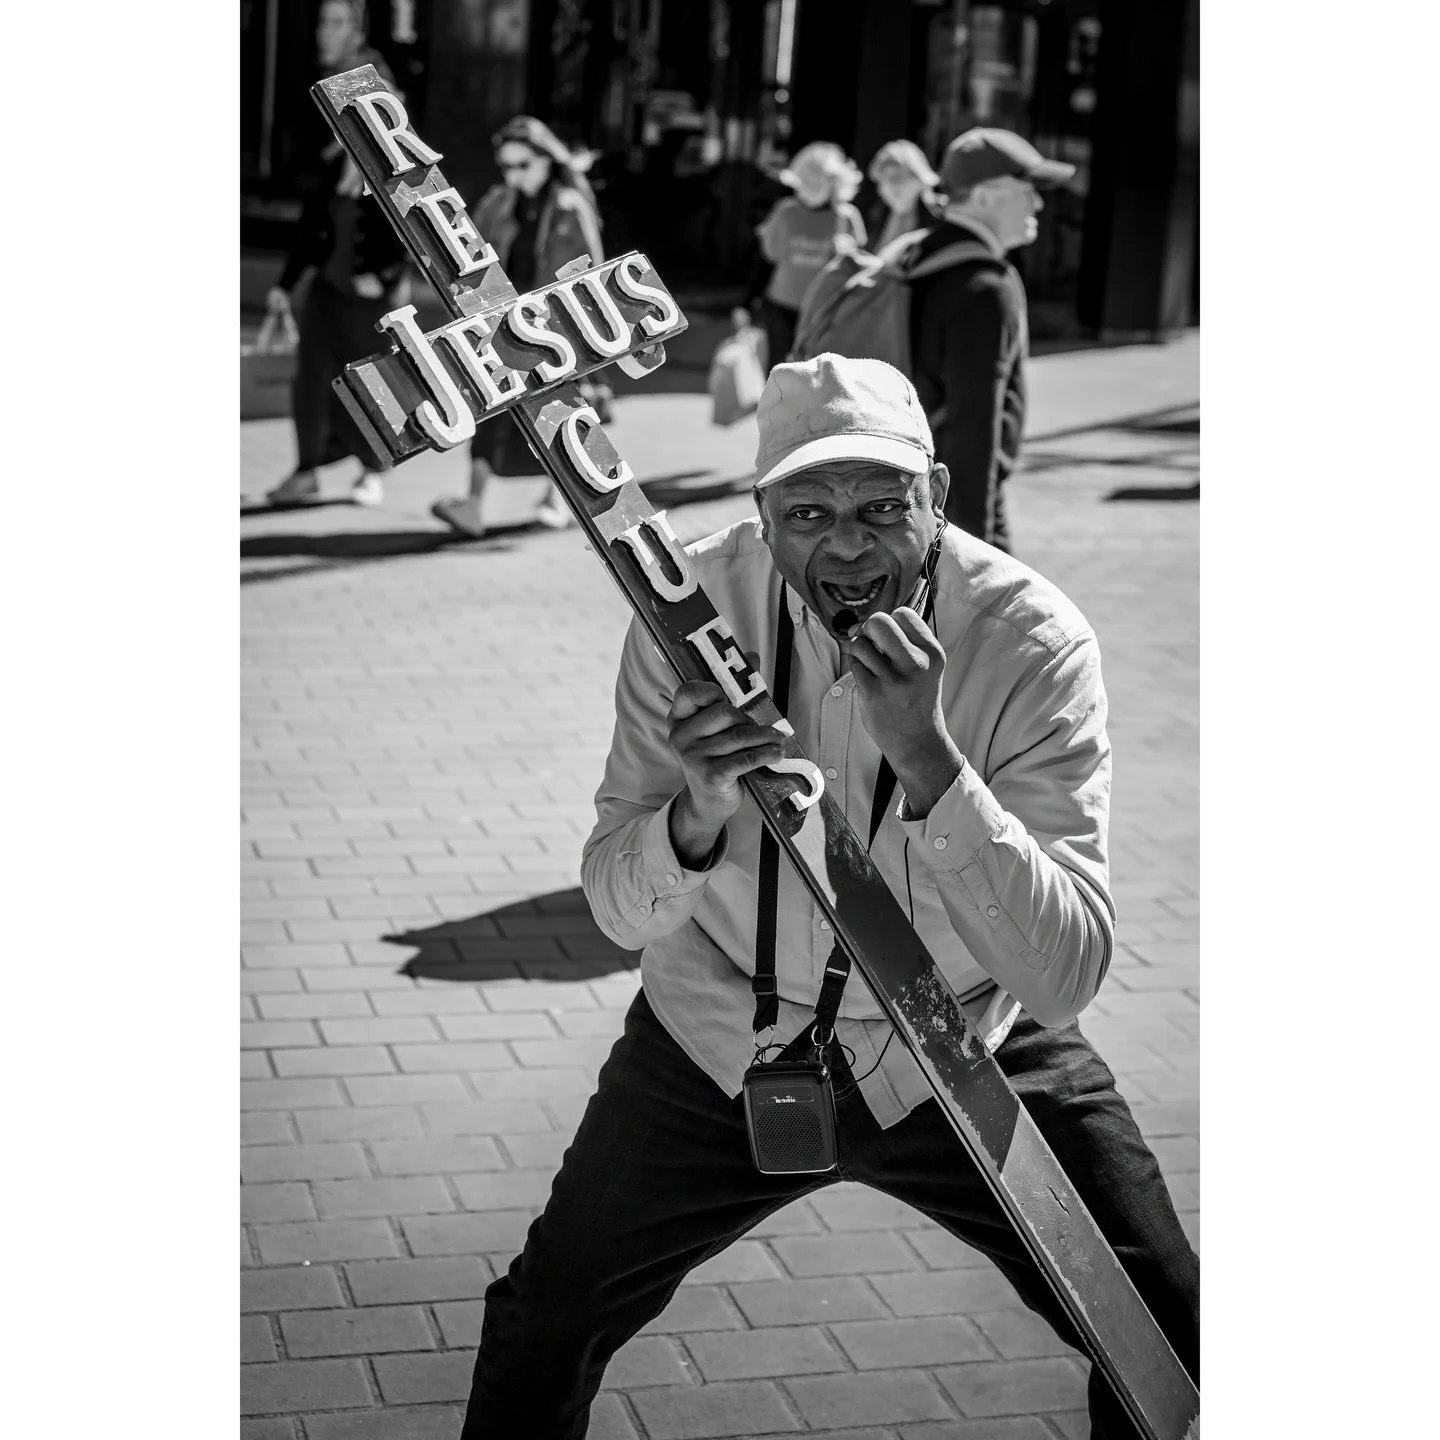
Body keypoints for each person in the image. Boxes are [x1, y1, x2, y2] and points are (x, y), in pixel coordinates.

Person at [457, 354, 1199, 1440]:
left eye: (880, 506)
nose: (845, 544)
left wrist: (935, 764)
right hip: (722, 1039)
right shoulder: (686, 615)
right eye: (806, 510)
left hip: (958, 1036)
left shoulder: (1030, 639)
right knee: (547, 1316)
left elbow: (1064, 975)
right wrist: (697, 813)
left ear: (936, 496)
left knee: (1165, 1328)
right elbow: (620, 908)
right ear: (762, 514)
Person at [429, 117, 606, 540]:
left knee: (560, 414)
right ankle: (472, 504)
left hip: (556, 332)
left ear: (546, 159)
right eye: (506, 166)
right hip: (505, 327)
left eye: (522, 165)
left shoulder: (569, 205)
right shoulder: (501, 202)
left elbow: (590, 277)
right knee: (491, 407)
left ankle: (556, 500)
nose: (513, 175)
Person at [264, 0, 406, 508]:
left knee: (368, 382)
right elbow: (312, 222)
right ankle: (306, 471)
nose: (325, 31)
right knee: (310, 381)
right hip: (327, 285)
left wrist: (385, 273)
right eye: (322, 20)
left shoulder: (367, 82)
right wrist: (286, 282)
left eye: (337, 22)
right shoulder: (330, 141)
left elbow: (407, 214)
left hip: (368, 292)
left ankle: (371, 471)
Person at [908, 128, 1074, 553]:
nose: (1038, 202)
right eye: (1027, 189)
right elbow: (973, 426)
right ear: (983, 196)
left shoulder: (916, 253)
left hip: (911, 485)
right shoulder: (984, 287)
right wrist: (975, 552)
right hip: (957, 502)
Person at [749, 142, 866, 372]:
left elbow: (860, 265)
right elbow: (768, 256)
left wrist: (849, 252)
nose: (809, 188)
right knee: (781, 372)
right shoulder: (786, 211)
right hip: (785, 306)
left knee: (817, 375)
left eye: (816, 182)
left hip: (824, 310)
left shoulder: (845, 216)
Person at [866, 138, 942, 252]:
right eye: (882, 181)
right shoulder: (878, 215)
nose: (889, 189)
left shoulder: (940, 214)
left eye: (897, 179)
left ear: (919, 179)